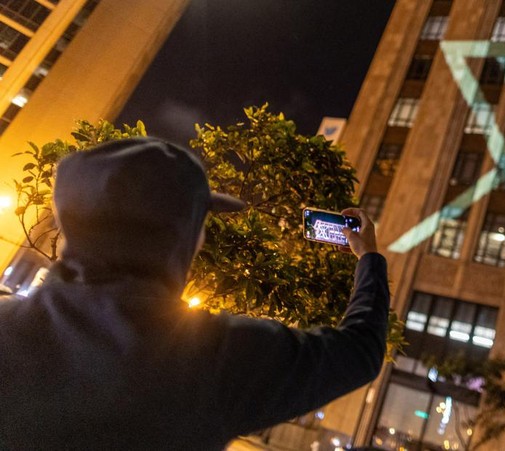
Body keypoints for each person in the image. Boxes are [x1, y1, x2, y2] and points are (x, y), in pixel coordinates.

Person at [0, 137, 389, 450]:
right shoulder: (215, 357)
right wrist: (368, 255)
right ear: (184, 236)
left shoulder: (7, 328)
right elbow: (360, 351)